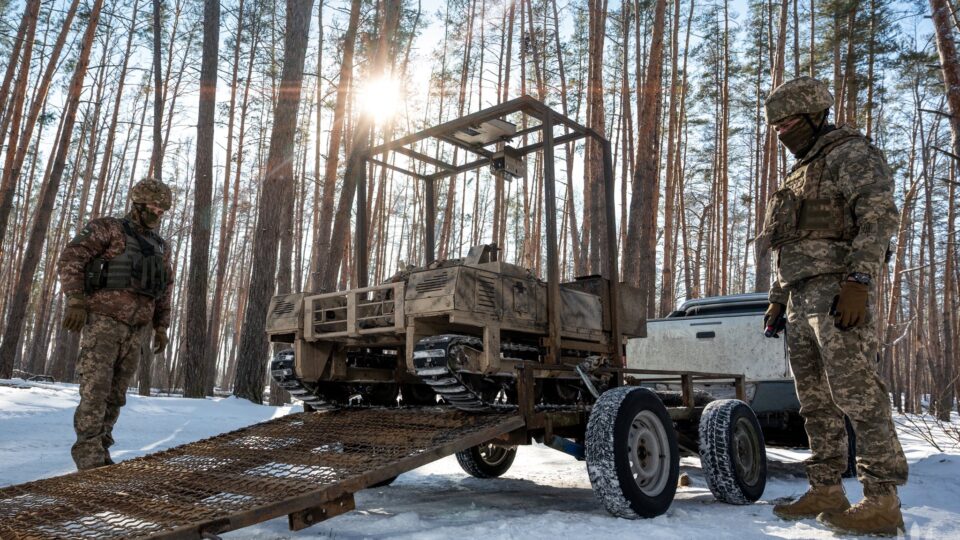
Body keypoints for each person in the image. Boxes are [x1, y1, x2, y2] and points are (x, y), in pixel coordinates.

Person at [760, 76, 909, 536]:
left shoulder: (849, 153)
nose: (782, 132)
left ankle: (882, 498)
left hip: (837, 291)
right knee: (815, 403)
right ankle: (826, 487)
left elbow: (879, 215)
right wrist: (777, 299)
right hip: (801, 295)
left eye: (788, 123)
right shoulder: (800, 170)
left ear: (813, 115)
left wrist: (860, 280)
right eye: (776, 126)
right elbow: (790, 238)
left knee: (858, 394)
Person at [57, 178, 174, 470]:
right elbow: (72, 258)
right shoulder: (107, 228)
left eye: (162, 210)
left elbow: (165, 287)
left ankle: (102, 449)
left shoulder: (161, 246)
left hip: (136, 329)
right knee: (95, 390)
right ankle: (88, 456)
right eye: (153, 208)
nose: (157, 214)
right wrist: (75, 300)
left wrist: (162, 326)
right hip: (103, 323)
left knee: (116, 395)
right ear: (137, 204)